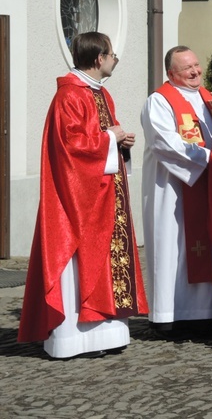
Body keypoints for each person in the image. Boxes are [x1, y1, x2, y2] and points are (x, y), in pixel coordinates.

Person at [18, 32, 148, 358]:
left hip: (105, 195)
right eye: (111, 54)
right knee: (79, 266)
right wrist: (109, 138)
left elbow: (101, 137)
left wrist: (119, 144)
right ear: (98, 58)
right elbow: (70, 149)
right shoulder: (69, 97)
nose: (114, 59)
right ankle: (73, 339)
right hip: (80, 201)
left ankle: (106, 335)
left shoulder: (100, 94)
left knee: (106, 264)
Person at [140, 46, 212, 340]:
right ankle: (170, 316)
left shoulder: (208, 98)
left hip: (205, 187)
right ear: (171, 74)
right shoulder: (159, 101)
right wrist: (211, 159)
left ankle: (206, 314)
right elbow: (165, 143)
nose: (195, 72)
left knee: (206, 246)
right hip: (172, 191)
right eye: (187, 69)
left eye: (196, 65)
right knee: (173, 248)